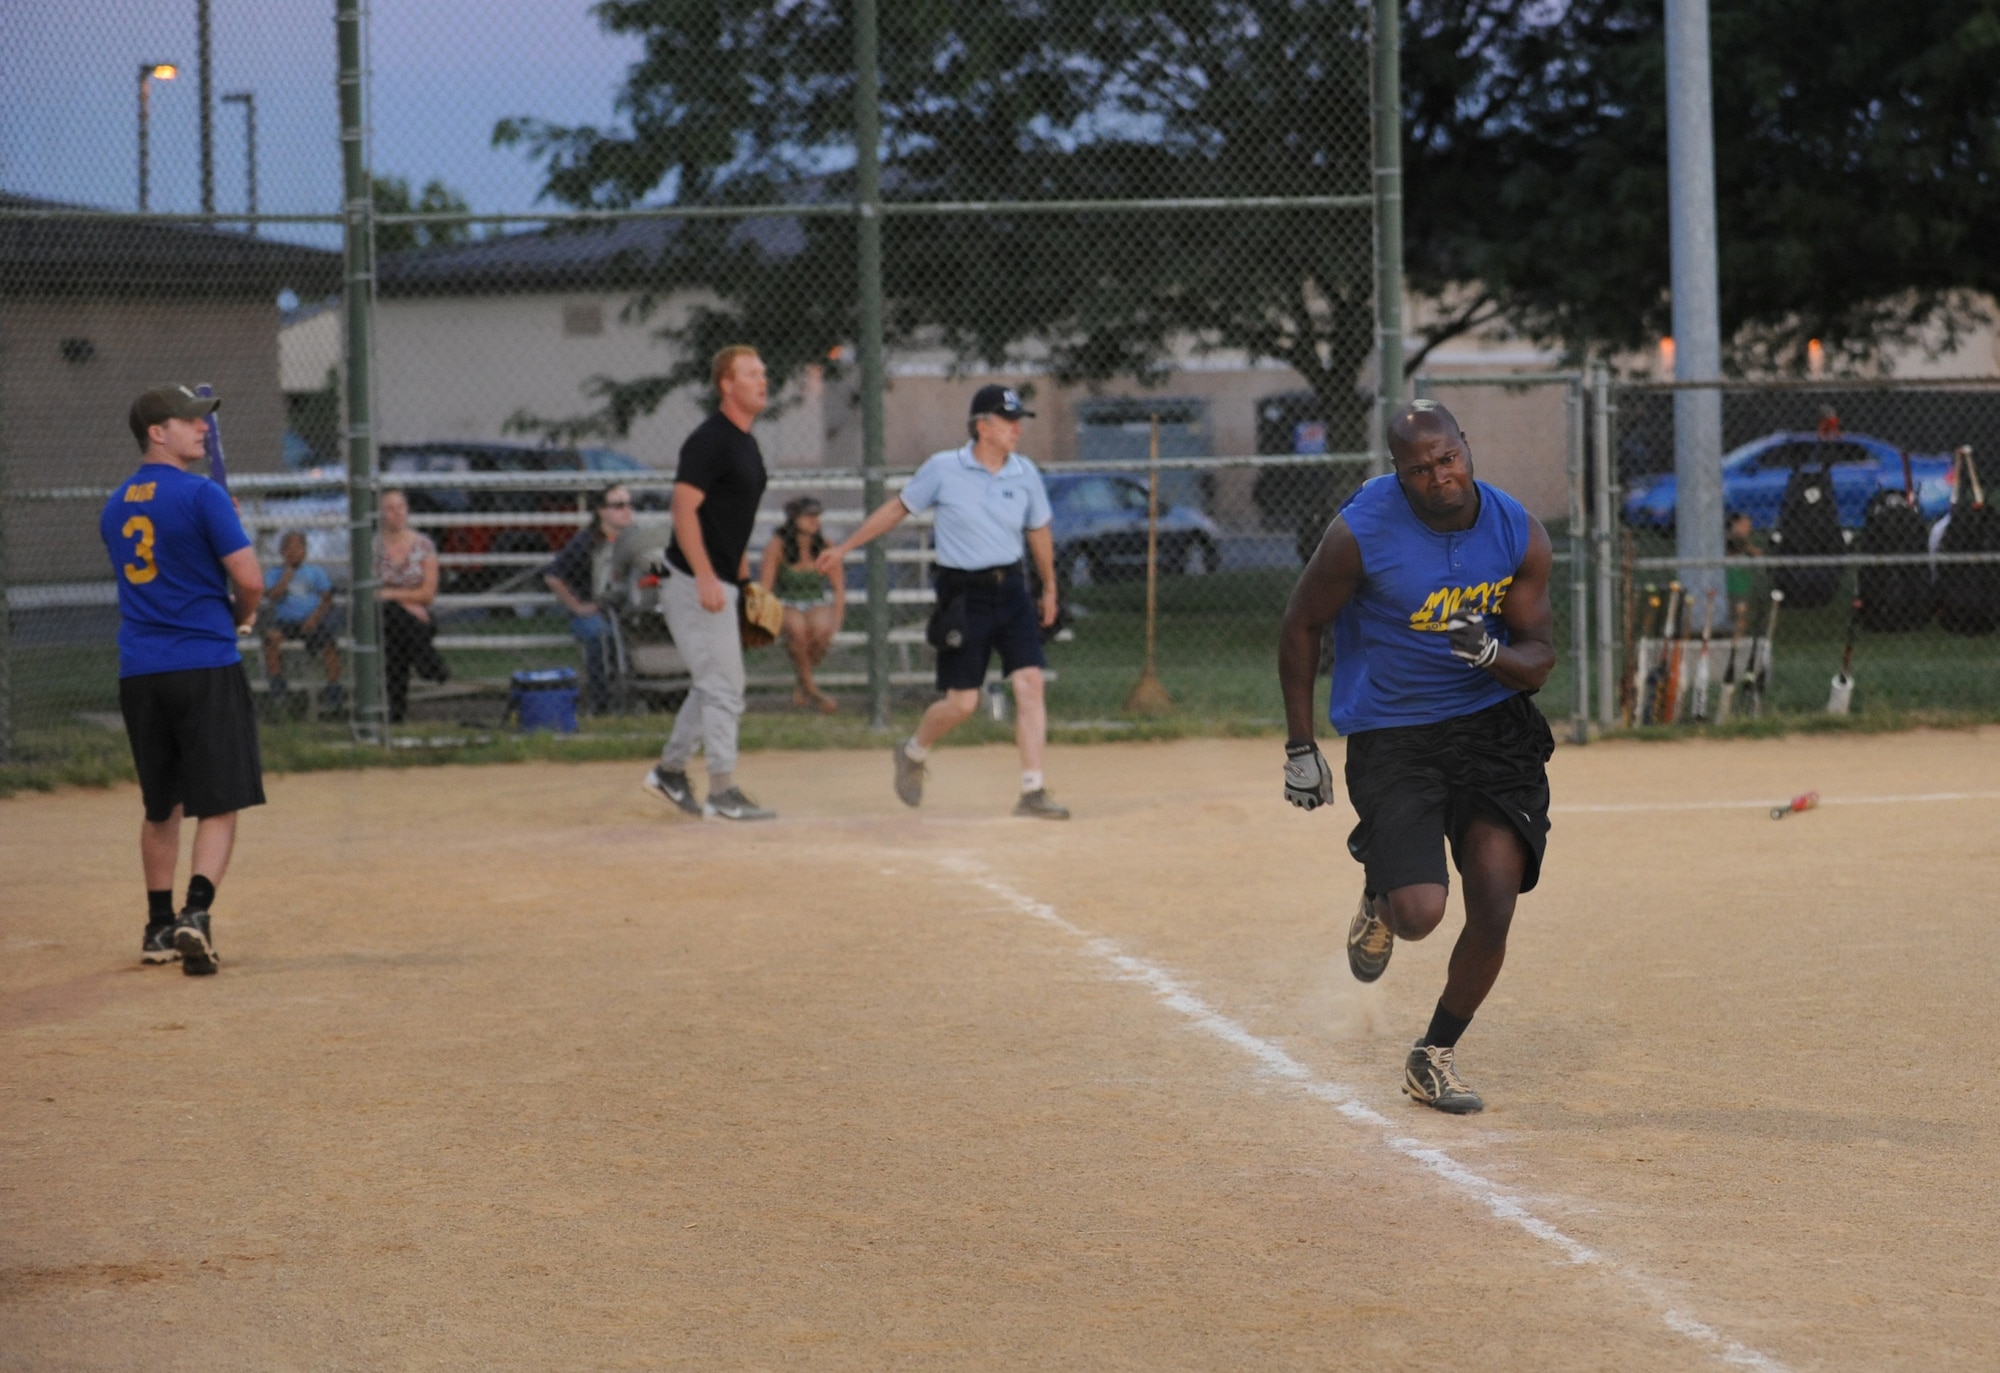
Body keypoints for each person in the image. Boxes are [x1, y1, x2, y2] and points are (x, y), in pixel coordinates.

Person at [1277, 399, 1556, 1114]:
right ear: (1397, 474)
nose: (1439, 476)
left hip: (1491, 726)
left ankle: (1432, 1053)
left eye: (1447, 458)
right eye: (1419, 468)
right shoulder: (1360, 533)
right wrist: (1301, 745)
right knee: (1420, 912)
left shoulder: (1517, 529)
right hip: (1395, 732)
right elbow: (1303, 624)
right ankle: (1380, 891)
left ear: (1466, 446)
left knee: (1493, 899)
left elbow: (1540, 655)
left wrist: (1492, 653)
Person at [819, 384, 1069, 819]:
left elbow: (1039, 531)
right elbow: (897, 509)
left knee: (1030, 683)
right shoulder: (943, 468)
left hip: (1010, 589)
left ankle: (1032, 791)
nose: (1017, 429)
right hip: (964, 595)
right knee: (962, 703)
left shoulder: (1024, 472)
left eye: (1018, 421)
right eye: (1008, 421)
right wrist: (845, 548)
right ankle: (914, 751)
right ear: (981, 427)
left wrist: (1048, 586)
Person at [99, 385, 265, 976]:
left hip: (141, 670)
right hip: (204, 662)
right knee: (219, 799)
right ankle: (196, 915)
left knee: (160, 803)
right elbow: (250, 579)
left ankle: (156, 926)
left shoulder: (115, 504)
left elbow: (162, 564)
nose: (203, 429)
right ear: (156, 433)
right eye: (188, 421)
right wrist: (243, 614)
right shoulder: (202, 494)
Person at [640, 346, 776, 821]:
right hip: (691, 580)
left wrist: (744, 584)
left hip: (721, 580)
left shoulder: (746, 443)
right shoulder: (710, 440)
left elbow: (733, 522)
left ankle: (670, 772)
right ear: (726, 384)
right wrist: (704, 575)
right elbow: (683, 508)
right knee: (724, 686)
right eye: (751, 373)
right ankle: (722, 791)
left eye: (763, 372)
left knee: (713, 682)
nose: (762, 380)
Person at [543, 482, 636, 714]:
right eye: (618, 505)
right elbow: (553, 576)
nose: (627, 510)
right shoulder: (587, 542)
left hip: (628, 610)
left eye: (629, 504)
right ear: (601, 511)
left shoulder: (636, 539)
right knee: (598, 632)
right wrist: (578, 606)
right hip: (594, 611)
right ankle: (602, 701)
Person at [758, 495, 845, 713]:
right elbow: (765, 587)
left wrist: (838, 618)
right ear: (793, 519)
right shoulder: (777, 546)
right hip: (787, 601)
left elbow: (838, 588)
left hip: (814, 600)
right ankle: (813, 690)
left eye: (817, 516)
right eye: (808, 516)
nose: (814, 521)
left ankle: (802, 684)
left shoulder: (825, 545)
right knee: (797, 629)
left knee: (822, 630)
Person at [375, 488, 448, 724]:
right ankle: (428, 662)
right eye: (389, 508)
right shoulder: (372, 547)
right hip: (385, 618)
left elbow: (428, 593)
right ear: (380, 513)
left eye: (400, 507)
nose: (396, 513)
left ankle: (395, 716)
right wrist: (407, 601)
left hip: (416, 619)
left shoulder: (423, 545)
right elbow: (371, 594)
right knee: (391, 615)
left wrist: (393, 595)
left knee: (396, 640)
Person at [260, 530, 344, 713]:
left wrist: (314, 618)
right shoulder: (275, 573)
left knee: (329, 644)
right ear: (282, 552)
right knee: (271, 639)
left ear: (305, 551)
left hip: (312, 620)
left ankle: (333, 689)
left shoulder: (315, 572)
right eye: (290, 548)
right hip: (287, 622)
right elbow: (273, 596)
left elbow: (327, 598)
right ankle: (278, 685)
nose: (295, 552)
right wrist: (287, 573)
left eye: (299, 548)